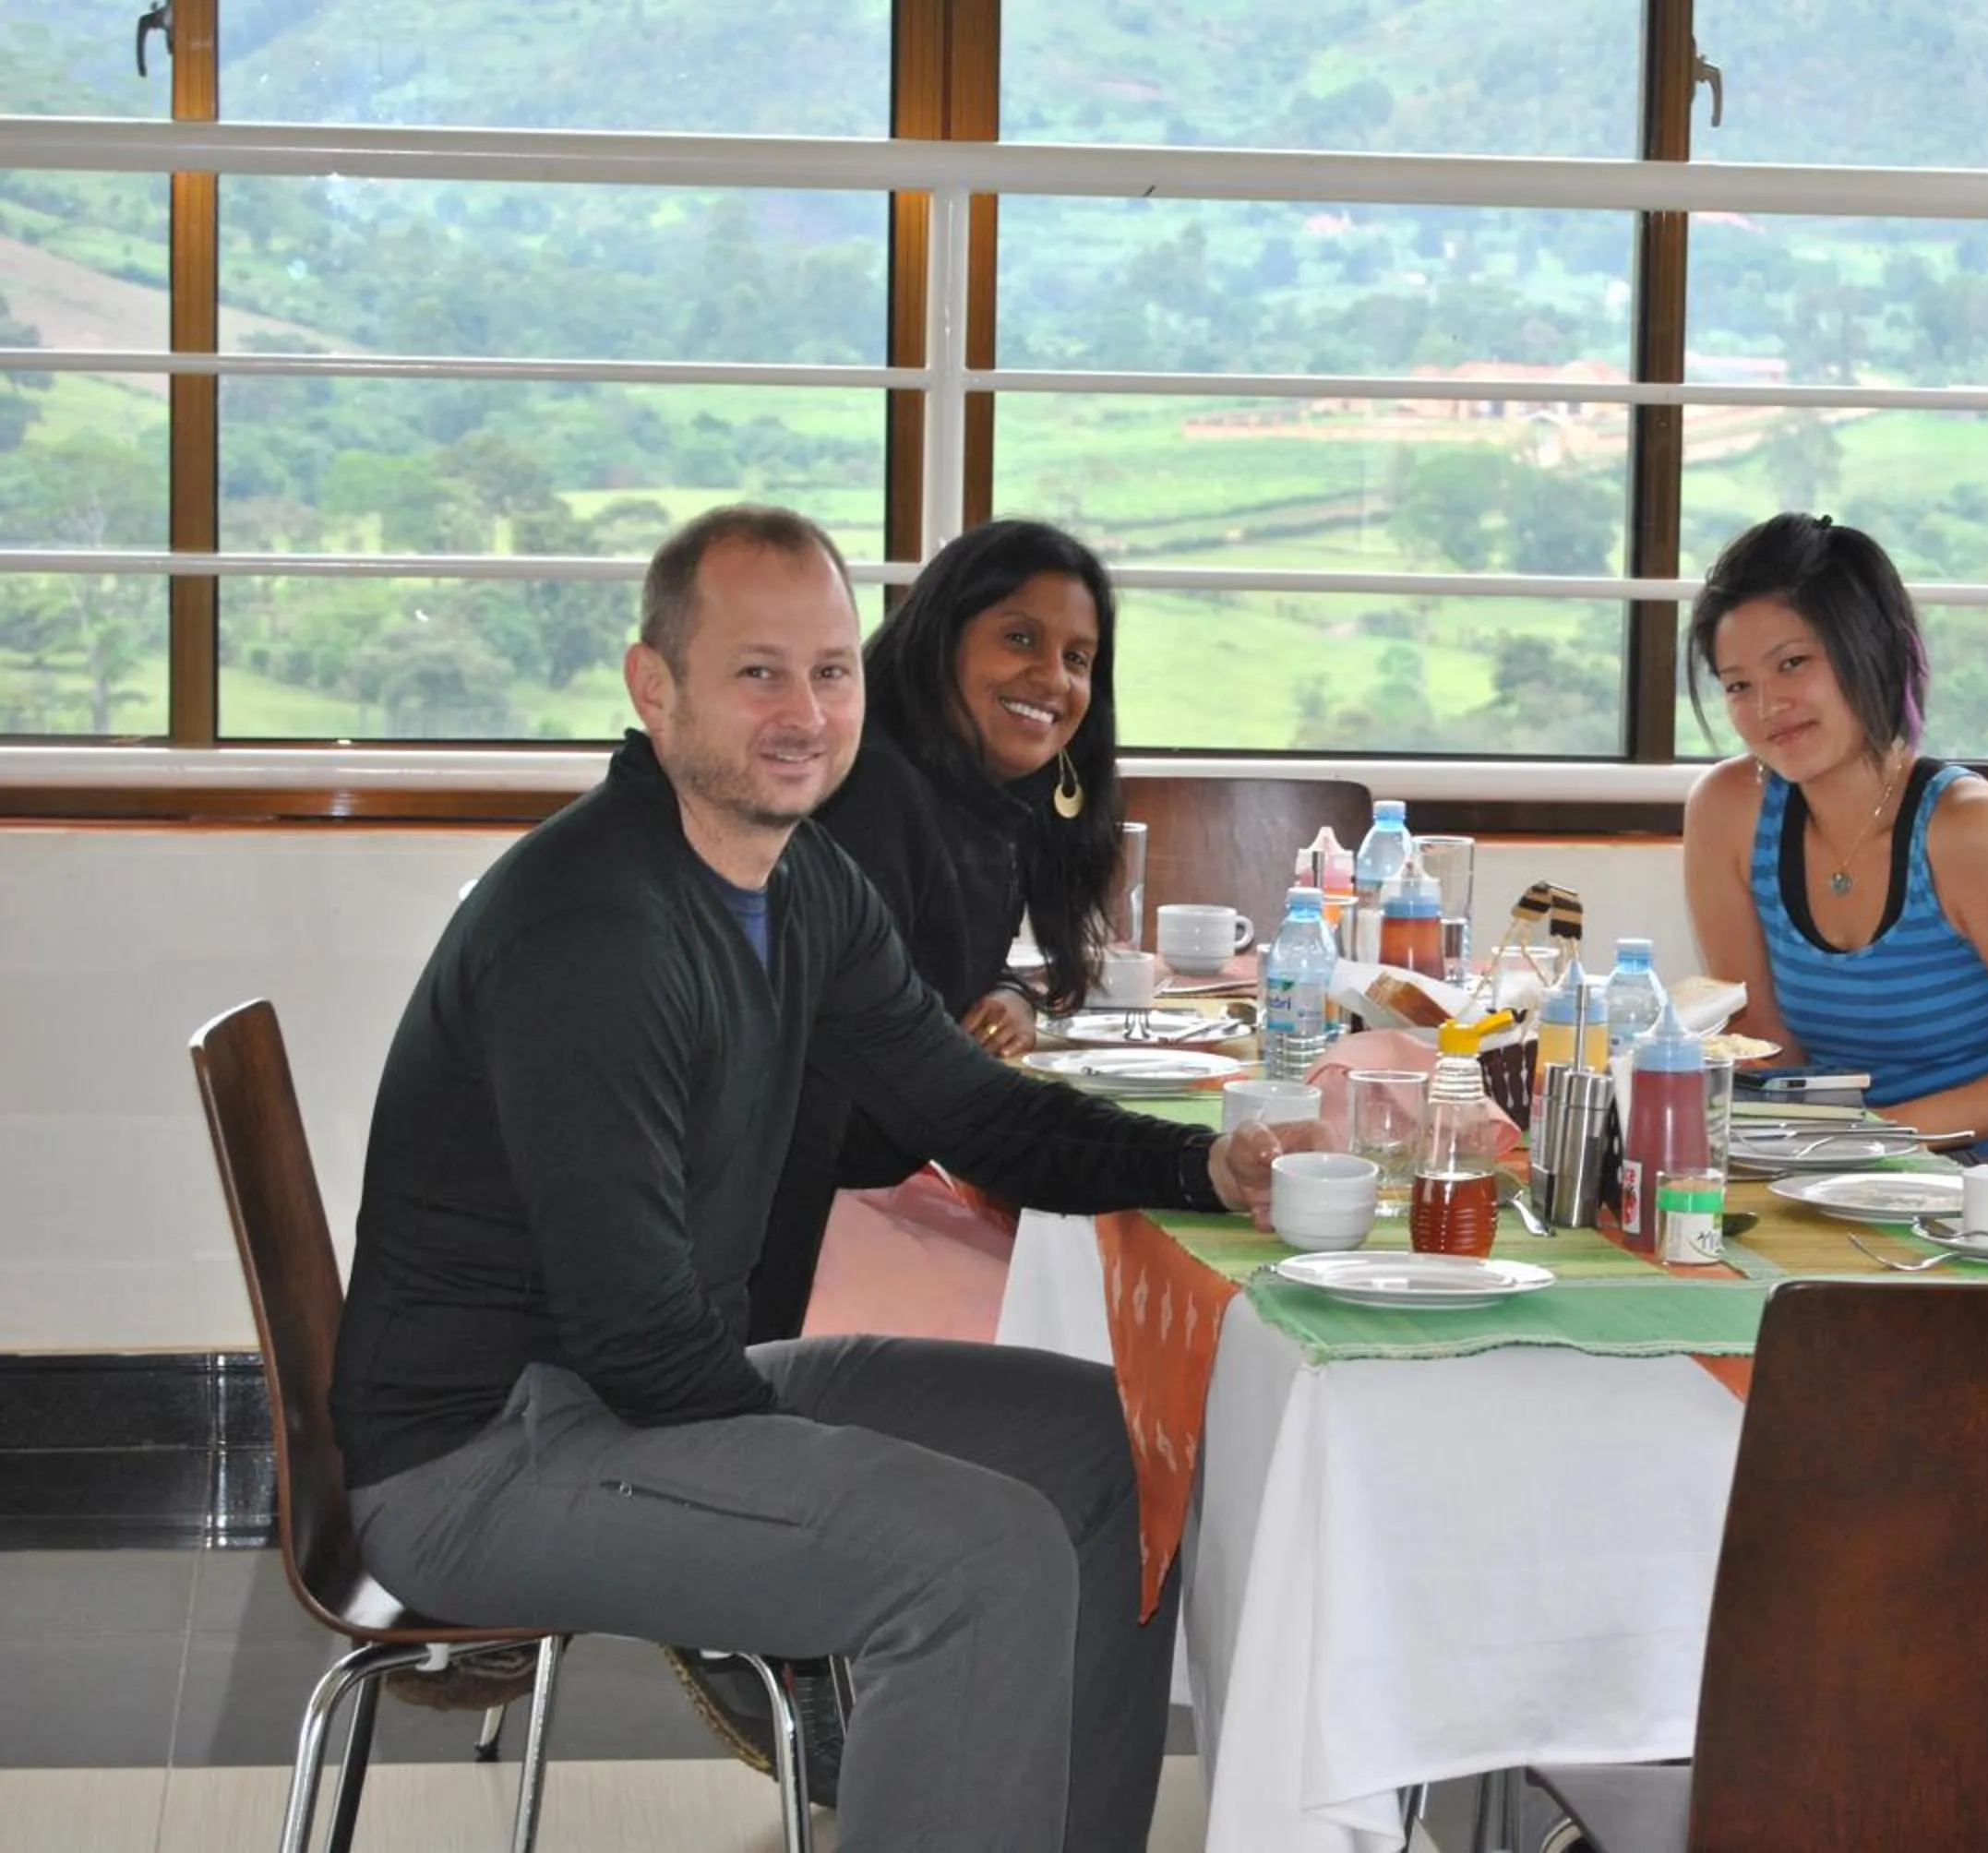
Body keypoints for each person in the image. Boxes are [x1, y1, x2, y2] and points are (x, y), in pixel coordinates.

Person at [331, 504, 1304, 1852]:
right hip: (487, 1454)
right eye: (757, 672)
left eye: (831, 671)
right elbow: (635, 1332)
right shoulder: (593, 930)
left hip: (631, 1395)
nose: (804, 712)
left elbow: (984, 1116)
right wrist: (836, 1483)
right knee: (974, 1552)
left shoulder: (800, 886)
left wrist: (1207, 1165)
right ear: (652, 688)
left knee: (1105, 1450)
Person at [1680, 511, 1988, 1240]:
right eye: (1738, 684)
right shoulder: (1730, 812)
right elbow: (1763, 1041)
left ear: (1867, 651)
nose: (1766, 706)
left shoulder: (1971, 831)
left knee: (1924, 1304)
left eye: (1793, 664)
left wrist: (1893, 1134)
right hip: (1855, 1167)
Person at [747, 520, 1124, 1346]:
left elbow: (928, 978)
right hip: (799, 1229)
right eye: (1019, 638)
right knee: (1091, 1330)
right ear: (942, 637)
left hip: (875, 1182)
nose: (1052, 679)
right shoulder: (874, 794)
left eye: (1078, 658)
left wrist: (1009, 991)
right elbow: (899, 1080)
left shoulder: (975, 798)